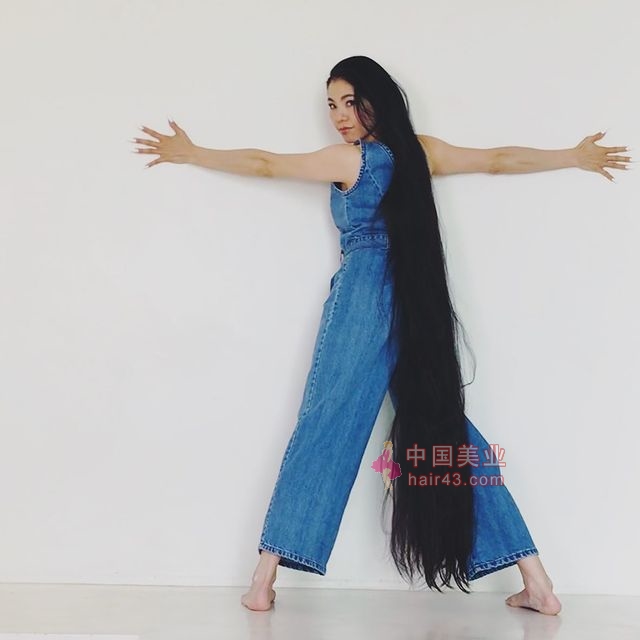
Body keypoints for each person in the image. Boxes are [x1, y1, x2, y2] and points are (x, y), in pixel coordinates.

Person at [131, 55, 631, 615]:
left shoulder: (352, 159)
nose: (339, 116)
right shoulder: (421, 151)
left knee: (328, 421)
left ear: (377, 99)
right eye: (331, 105)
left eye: (350, 102)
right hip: (418, 297)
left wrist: (194, 152)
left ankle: (263, 579)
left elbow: (266, 164)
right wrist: (571, 156)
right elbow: (495, 160)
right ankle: (536, 579)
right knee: (444, 427)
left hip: (366, 294)